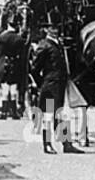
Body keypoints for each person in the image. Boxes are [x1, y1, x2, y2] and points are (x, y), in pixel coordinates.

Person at [31, 22, 81, 155]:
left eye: (57, 28)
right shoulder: (44, 45)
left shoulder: (58, 44)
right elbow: (34, 69)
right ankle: (47, 144)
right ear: (47, 29)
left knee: (60, 114)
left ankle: (66, 144)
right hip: (50, 85)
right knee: (48, 115)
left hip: (60, 85)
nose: (55, 30)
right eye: (52, 28)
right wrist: (42, 83)